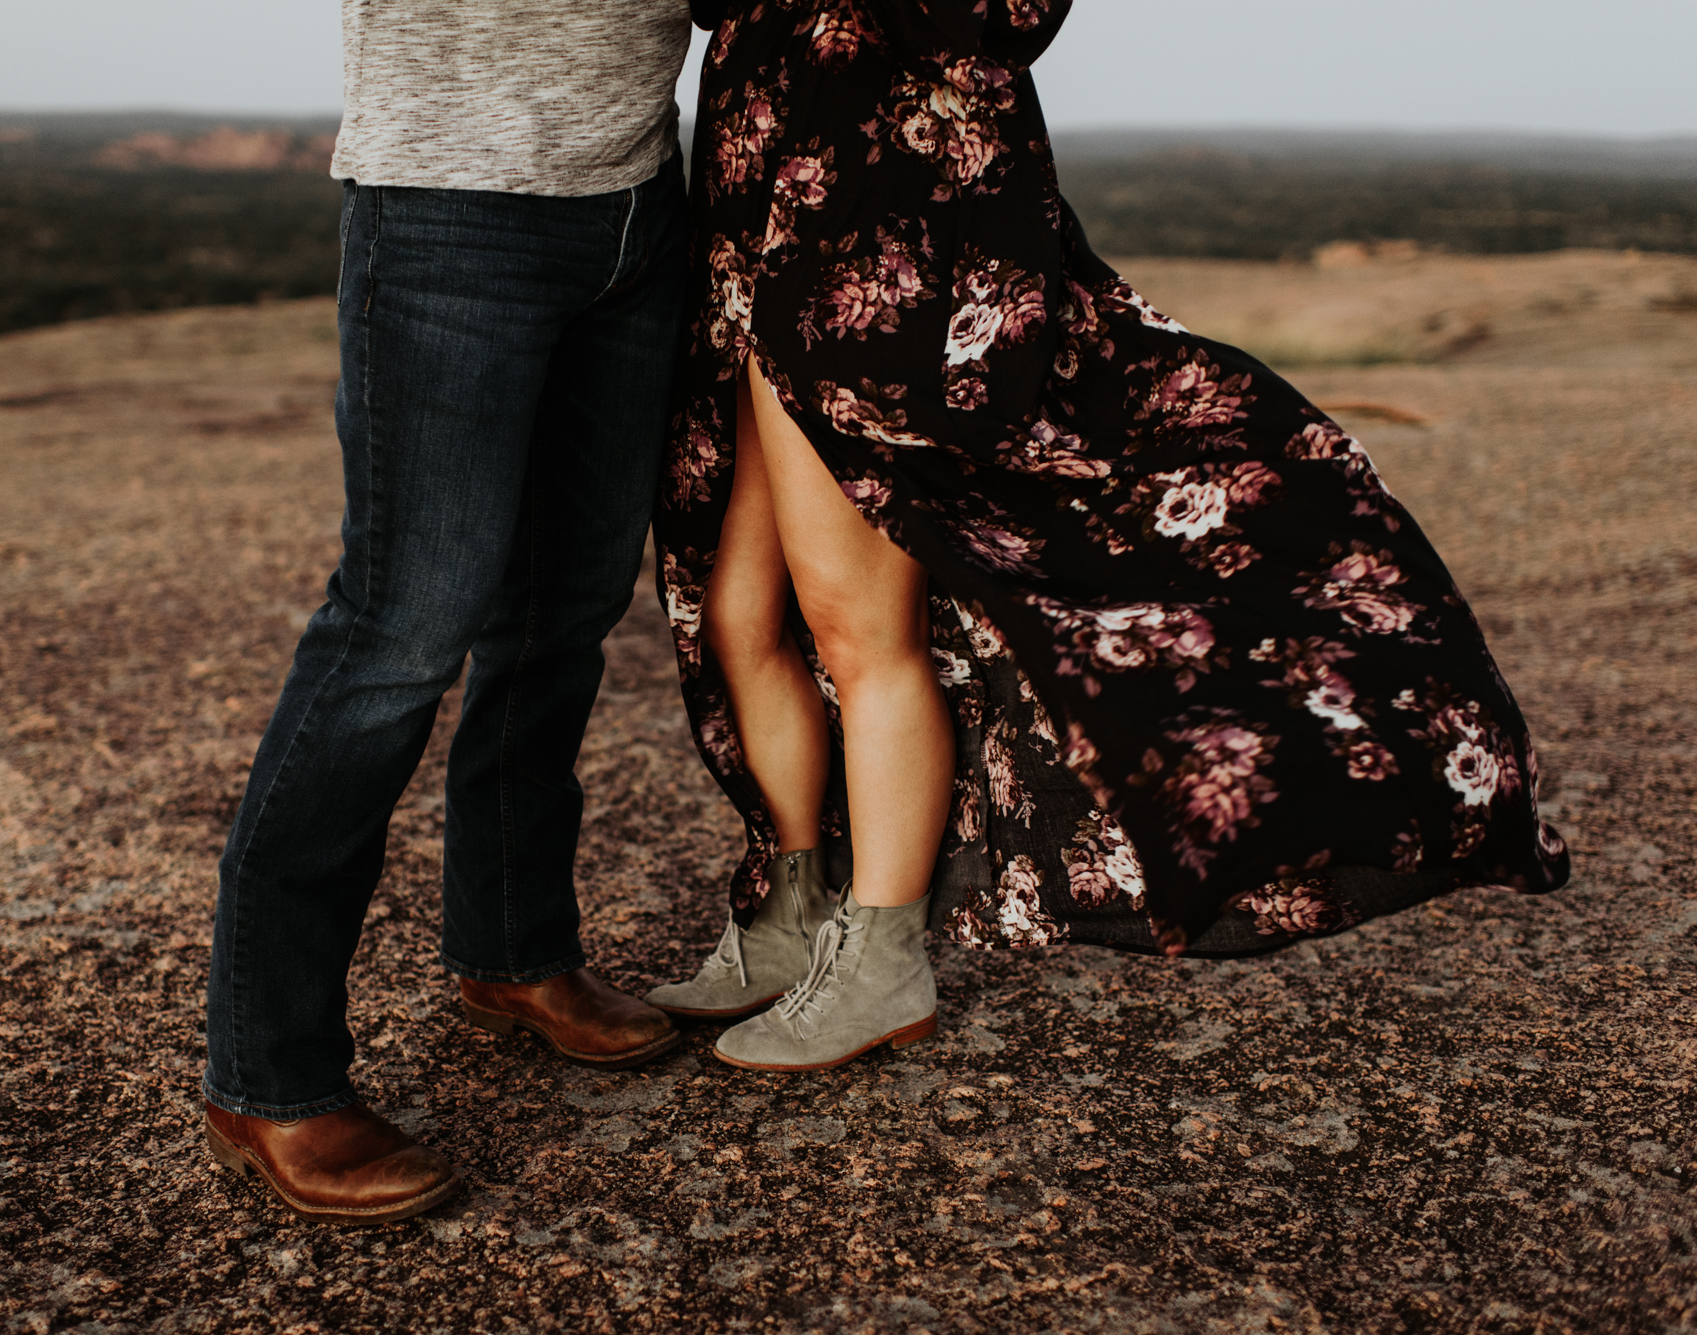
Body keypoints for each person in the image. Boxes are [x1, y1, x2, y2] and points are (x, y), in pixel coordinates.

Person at [647, 0, 1570, 1070]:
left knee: (858, 629)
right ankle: (786, 907)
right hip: (752, 261)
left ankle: (880, 959)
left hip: (873, 277)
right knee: (734, 614)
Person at [202, 2, 696, 1224]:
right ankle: (267, 1077)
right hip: (451, 203)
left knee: (564, 610)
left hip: (638, 201)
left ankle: (514, 953)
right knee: (397, 634)